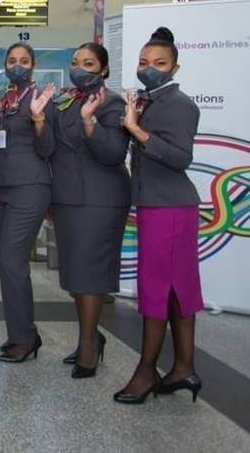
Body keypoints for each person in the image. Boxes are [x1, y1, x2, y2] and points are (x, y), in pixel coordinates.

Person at [114, 27, 203, 404]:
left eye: (159, 63)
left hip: (169, 207)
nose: (149, 68)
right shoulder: (151, 101)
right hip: (160, 204)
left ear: (175, 67)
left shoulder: (179, 104)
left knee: (156, 290)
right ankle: (183, 368)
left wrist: (136, 130)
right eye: (143, 62)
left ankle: (147, 371)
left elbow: (182, 157)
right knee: (175, 290)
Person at [49, 42, 130, 378]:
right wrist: (40, 120)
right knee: (74, 275)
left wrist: (89, 124)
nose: (80, 68)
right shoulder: (64, 100)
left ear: (104, 70)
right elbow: (49, 148)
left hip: (100, 200)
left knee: (90, 275)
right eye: (75, 62)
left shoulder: (112, 103)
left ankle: (87, 348)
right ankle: (90, 335)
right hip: (67, 197)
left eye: (89, 62)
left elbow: (113, 152)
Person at [0, 42, 55, 363]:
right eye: (12, 60)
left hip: (30, 187)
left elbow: (49, 149)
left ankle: (25, 338)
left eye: (24, 61)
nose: (17, 65)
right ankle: (20, 333)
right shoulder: (5, 100)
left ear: (33, 65)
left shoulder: (42, 99)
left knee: (12, 260)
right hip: (0, 186)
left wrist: (39, 120)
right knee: (7, 263)